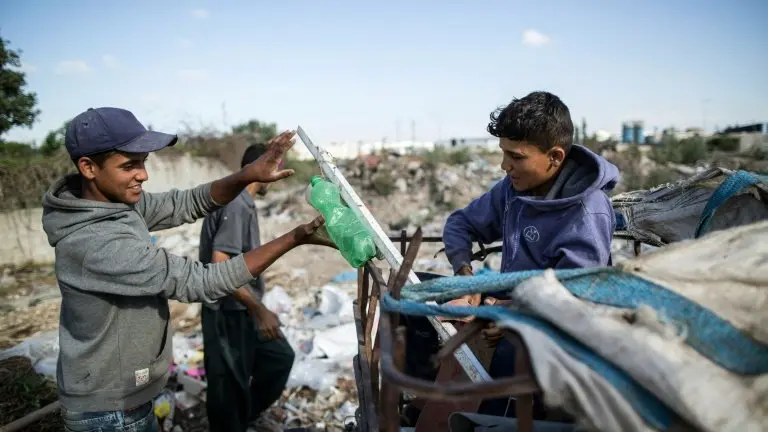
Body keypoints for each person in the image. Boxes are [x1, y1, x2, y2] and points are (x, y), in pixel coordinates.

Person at [41, 107, 325, 432]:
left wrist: (247, 174)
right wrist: (297, 237)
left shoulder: (114, 206)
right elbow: (203, 281)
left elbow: (185, 204)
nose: (143, 174)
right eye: (130, 165)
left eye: (144, 162)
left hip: (125, 400)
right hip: (110, 412)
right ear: (88, 167)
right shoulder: (95, 242)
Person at [441, 91, 619, 418]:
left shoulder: (586, 214)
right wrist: (465, 278)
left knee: (505, 362)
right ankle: (431, 409)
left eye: (517, 157)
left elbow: (576, 297)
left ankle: (483, 419)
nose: (505, 165)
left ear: (554, 156)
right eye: (503, 153)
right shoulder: (513, 188)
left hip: (557, 335)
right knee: (423, 319)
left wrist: (510, 311)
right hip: (508, 309)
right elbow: (460, 223)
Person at [199, 143, 294, 431]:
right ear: (261, 167)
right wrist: (259, 308)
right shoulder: (236, 203)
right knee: (227, 384)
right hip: (227, 311)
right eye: (276, 167)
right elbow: (220, 265)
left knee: (279, 358)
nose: (277, 176)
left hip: (243, 308)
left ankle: (245, 416)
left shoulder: (243, 202)